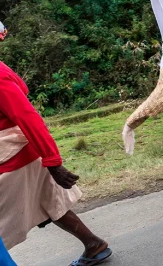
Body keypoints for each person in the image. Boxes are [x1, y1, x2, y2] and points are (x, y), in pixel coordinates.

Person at [0, 61, 113, 266]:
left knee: (47, 202)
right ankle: (93, 244)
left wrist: (52, 161)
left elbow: (27, 117)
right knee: (48, 201)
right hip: (20, 153)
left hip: (12, 157)